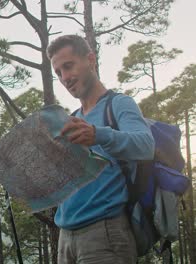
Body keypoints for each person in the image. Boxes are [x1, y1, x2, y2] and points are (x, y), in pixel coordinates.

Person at [46, 35, 155, 263]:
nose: (65, 78)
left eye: (68, 66)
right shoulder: (72, 119)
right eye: (58, 73)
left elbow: (146, 145)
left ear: (90, 60)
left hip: (104, 233)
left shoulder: (118, 104)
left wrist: (98, 134)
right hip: (65, 238)